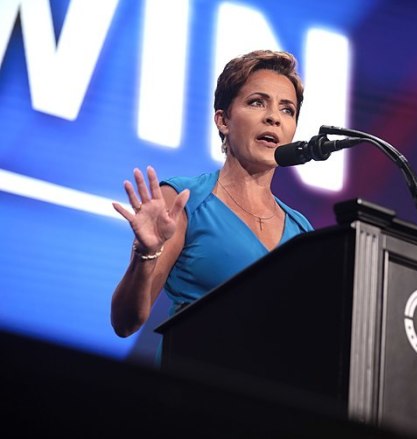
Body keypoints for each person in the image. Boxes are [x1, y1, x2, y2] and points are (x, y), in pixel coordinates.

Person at [110, 50, 313, 338]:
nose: (273, 119)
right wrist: (146, 255)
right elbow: (125, 322)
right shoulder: (183, 201)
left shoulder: (302, 231)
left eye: (287, 110)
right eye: (257, 102)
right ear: (223, 121)